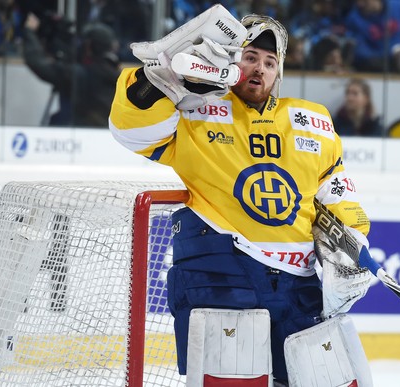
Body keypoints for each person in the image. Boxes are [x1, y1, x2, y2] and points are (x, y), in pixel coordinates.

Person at [109, 4, 373, 386]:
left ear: (279, 70)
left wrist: (353, 242)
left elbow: (337, 193)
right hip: (223, 275)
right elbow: (131, 131)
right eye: (250, 57)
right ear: (233, 60)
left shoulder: (313, 121)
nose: (260, 68)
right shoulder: (195, 110)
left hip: (299, 285)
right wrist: (163, 80)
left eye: (270, 61)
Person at [22, 12, 120, 127]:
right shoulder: (118, 77)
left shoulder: (80, 74)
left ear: (88, 46)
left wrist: (29, 32)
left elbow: (38, 64)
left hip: (80, 135)